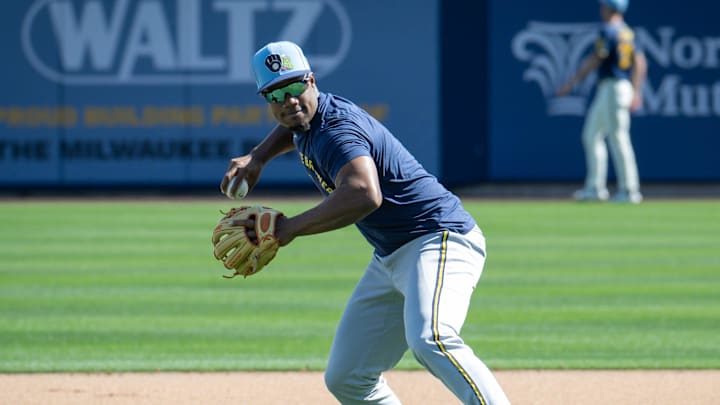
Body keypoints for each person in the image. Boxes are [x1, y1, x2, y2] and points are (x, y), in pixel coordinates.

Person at [220, 41, 511, 405]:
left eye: (295, 87)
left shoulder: (336, 131)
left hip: (438, 239)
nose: (289, 100)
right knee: (348, 376)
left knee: (431, 338)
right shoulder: (309, 119)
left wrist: (288, 229)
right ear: (266, 99)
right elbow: (294, 126)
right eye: (276, 95)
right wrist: (258, 156)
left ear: (312, 80)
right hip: (391, 255)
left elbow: (363, 193)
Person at [557, 0, 647, 204]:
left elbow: (596, 58)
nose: (601, 9)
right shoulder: (627, 32)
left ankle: (629, 190)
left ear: (611, 9)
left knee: (618, 137)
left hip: (613, 87)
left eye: (604, 6)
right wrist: (636, 91)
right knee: (591, 135)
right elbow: (640, 63)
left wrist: (571, 83)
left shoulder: (608, 30)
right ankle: (595, 188)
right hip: (614, 88)